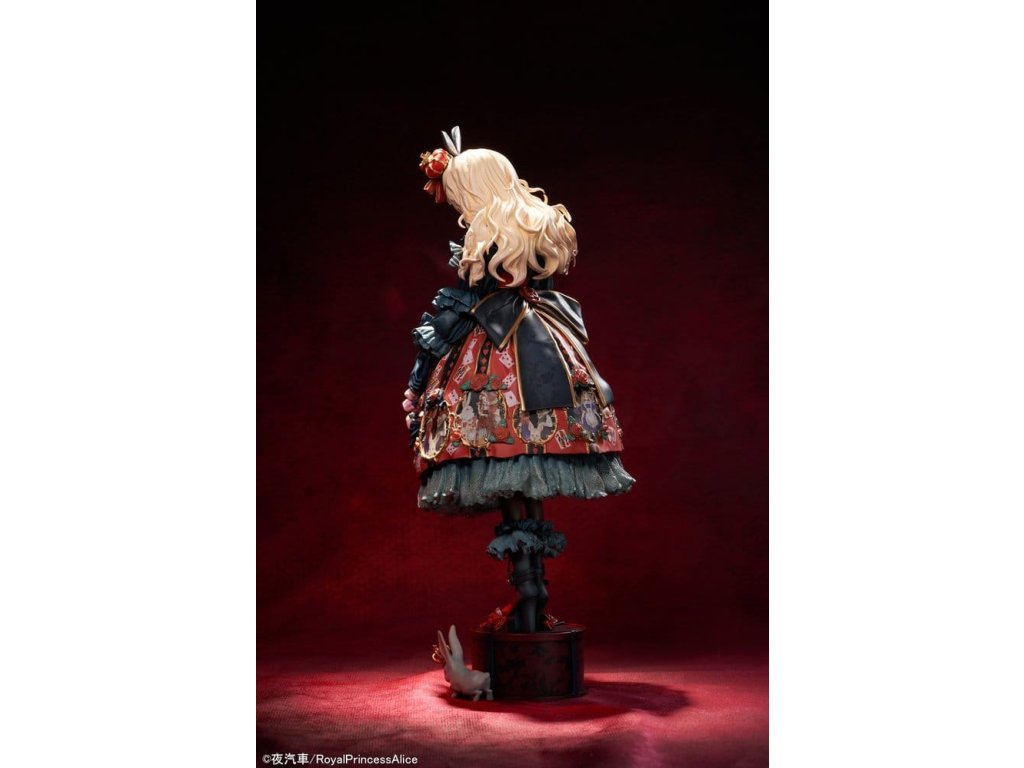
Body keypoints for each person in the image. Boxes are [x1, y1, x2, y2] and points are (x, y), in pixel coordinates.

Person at [402, 127, 636, 632]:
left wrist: (421, 376)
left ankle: (528, 595)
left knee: (508, 463)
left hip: (495, 348)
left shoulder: (485, 237)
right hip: (543, 341)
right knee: (526, 471)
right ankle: (533, 594)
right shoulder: (536, 225)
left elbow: (463, 309)